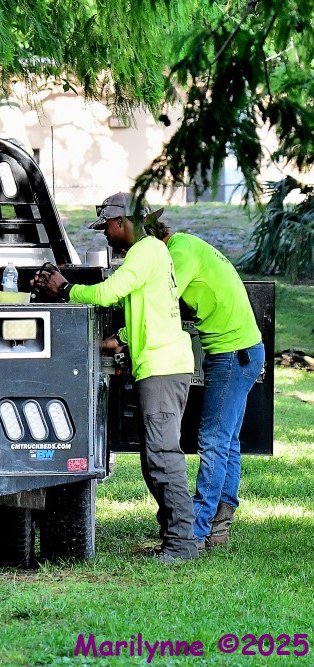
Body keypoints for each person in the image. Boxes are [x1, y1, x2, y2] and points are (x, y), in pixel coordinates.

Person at [32, 192, 198, 563]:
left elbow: (109, 293)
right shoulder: (153, 252)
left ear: (122, 222)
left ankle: (182, 545)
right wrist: (120, 338)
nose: (105, 235)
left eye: (106, 227)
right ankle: (173, 539)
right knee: (154, 458)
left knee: (163, 457)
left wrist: (66, 289)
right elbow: (144, 307)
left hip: (162, 368)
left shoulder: (144, 251)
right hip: (162, 365)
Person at [144, 217, 265, 549]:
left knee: (212, 442)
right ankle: (218, 529)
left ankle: (195, 532)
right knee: (227, 443)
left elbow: (161, 301)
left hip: (232, 354)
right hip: (245, 351)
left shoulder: (179, 253)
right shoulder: (189, 244)